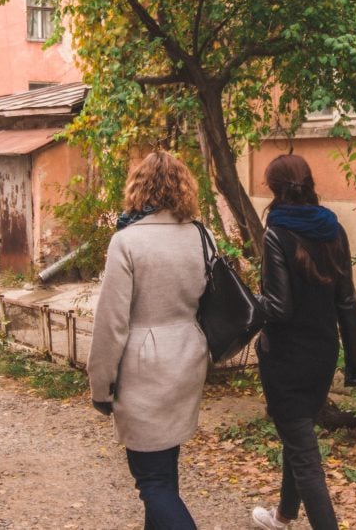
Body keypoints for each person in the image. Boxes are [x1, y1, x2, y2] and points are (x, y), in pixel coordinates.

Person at [87, 150, 208, 530]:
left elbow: (111, 323)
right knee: (164, 472)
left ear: (138, 187)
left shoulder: (127, 242)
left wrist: (100, 386)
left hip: (143, 368)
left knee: (152, 481)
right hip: (188, 357)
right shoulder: (201, 235)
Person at [251, 154, 356, 530]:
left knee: (303, 451)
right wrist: (355, 365)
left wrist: (248, 303)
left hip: (285, 358)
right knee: (297, 434)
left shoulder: (276, 232)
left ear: (274, 188)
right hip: (323, 353)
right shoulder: (333, 228)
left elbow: (279, 307)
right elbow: (346, 301)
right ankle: (283, 516)